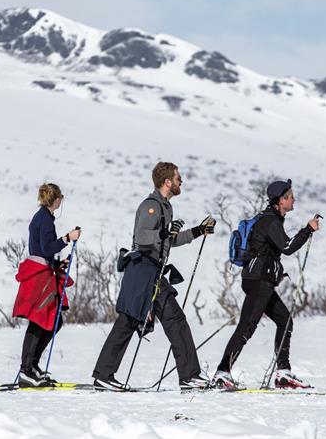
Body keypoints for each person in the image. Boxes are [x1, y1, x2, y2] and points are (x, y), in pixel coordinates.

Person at [92, 161, 215, 391]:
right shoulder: (151, 206)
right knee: (128, 321)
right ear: (167, 182)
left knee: (175, 320)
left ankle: (189, 376)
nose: (181, 181)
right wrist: (164, 232)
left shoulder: (166, 207)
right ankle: (103, 376)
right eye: (178, 178)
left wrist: (198, 231)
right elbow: (142, 236)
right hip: (141, 270)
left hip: (154, 272)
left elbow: (169, 240)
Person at [212, 179, 320, 390]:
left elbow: (269, 252)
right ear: (281, 200)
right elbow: (287, 247)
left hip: (262, 281)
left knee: (284, 321)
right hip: (258, 282)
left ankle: (283, 373)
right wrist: (308, 229)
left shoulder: (271, 219)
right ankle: (222, 372)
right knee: (247, 327)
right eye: (291, 196)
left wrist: (275, 271)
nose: (294, 199)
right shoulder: (270, 222)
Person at [12, 182, 81, 387]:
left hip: (43, 272)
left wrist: (58, 264)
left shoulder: (43, 217)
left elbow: (42, 251)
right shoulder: (44, 219)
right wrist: (67, 238)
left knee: (53, 321)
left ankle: (32, 366)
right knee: (39, 321)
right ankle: (26, 370)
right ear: (56, 200)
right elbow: (46, 248)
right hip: (39, 277)